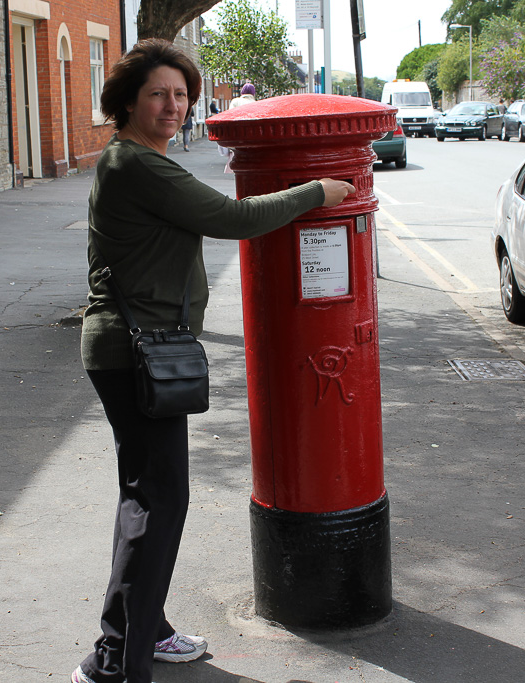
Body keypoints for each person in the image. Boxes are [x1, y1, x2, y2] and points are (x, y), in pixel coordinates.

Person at [75, 38, 355, 683]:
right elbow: (232, 217)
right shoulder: (137, 165)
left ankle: (149, 629)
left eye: (181, 94)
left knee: (143, 498)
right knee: (159, 502)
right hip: (138, 349)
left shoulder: (135, 160)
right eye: (158, 94)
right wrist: (317, 191)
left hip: (134, 345)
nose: (173, 105)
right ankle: (117, 658)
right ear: (127, 102)